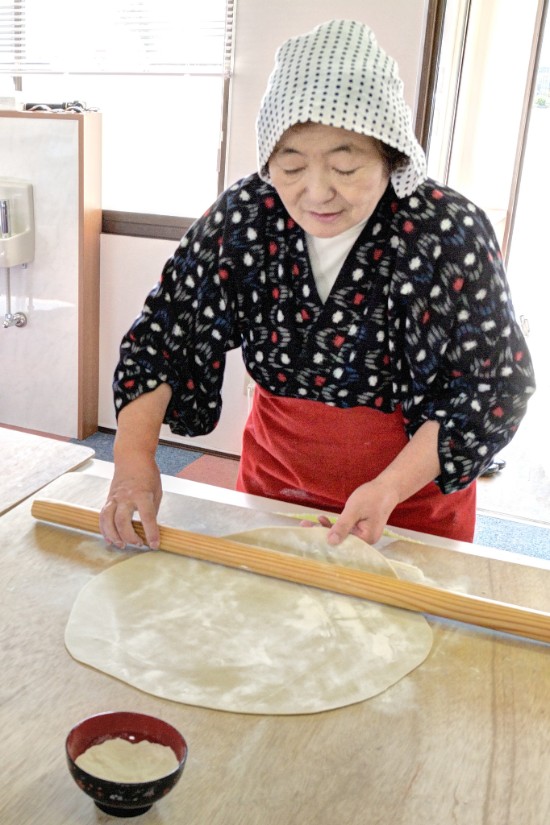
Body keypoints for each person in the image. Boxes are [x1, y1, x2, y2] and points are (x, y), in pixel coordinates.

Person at [100, 19, 535, 551]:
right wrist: (133, 461)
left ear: (391, 155)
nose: (317, 192)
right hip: (273, 489)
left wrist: (387, 489)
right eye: (292, 165)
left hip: (408, 502)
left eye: (345, 166)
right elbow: (163, 339)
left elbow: (491, 386)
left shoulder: (445, 231)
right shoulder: (247, 215)